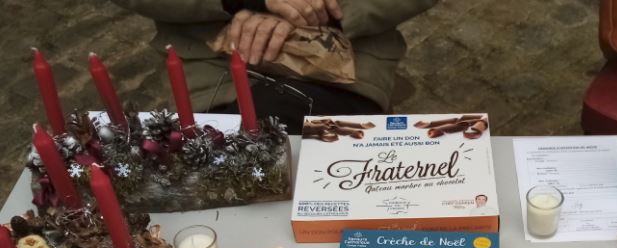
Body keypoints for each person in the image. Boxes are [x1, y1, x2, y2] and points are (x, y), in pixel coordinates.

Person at [110, 0, 438, 131]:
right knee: (223, 176)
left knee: (333, 175)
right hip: (211, 60)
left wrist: (316, 10)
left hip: (344, 53)